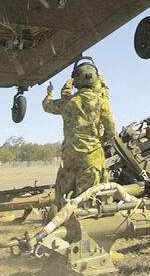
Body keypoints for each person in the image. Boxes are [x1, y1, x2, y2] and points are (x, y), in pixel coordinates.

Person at [42, 59, 116, 208]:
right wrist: (100, 142)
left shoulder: (67, 102)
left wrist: (50, 93)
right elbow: (111, 132)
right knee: (88, 200)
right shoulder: (102, 102)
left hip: (69, 157)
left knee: (63, 197)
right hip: (91, 157)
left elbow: (47, 106)